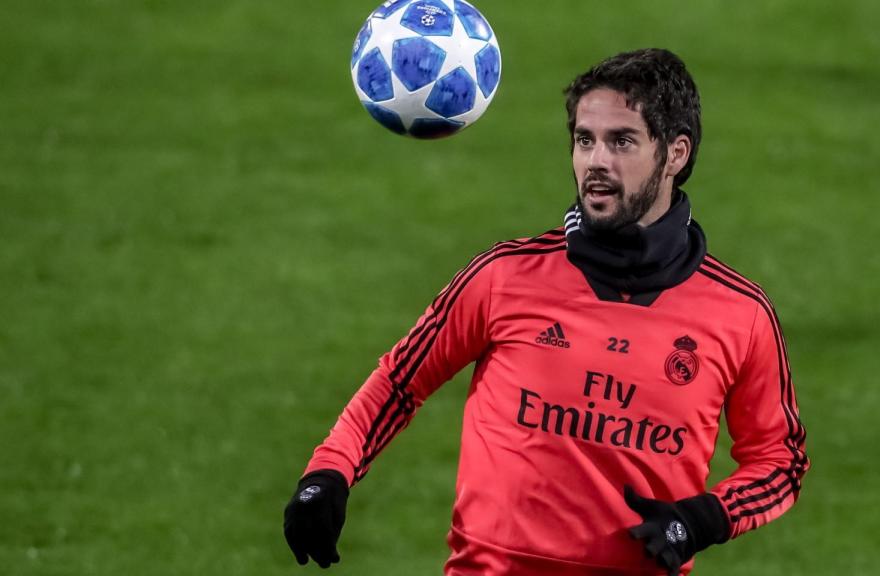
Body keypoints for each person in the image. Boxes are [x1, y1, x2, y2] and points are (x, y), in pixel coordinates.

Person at [284, 48, 809, 576]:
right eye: (585, 140)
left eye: (621, 141)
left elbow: (780, 458)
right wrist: (328, 473)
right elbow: (399, 382)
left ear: (675, 153)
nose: (596, 161)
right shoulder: (503, 277)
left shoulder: (740, 314)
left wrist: (702, 520)